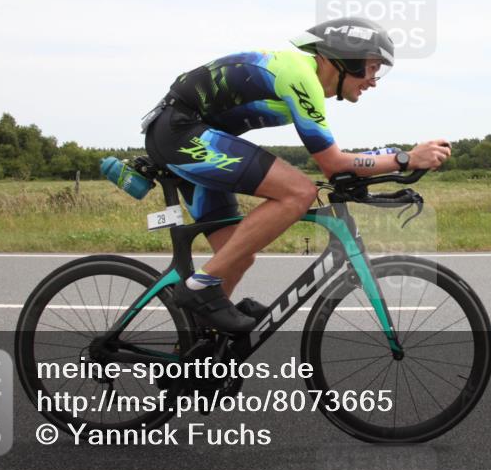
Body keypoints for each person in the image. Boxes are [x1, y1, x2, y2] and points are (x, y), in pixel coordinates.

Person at [143, 17, 451, 331]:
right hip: (179, 131)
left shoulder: (305, 78)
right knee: (299, 192)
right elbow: (333, 163)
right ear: (347, 60)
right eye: (372, 68)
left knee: (236, 254)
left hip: (189, 133)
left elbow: (340, 163)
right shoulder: (301, 77)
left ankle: (198, 355)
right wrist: (406, 158)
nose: (373, 80)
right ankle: (199, 287)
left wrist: (395, 161)